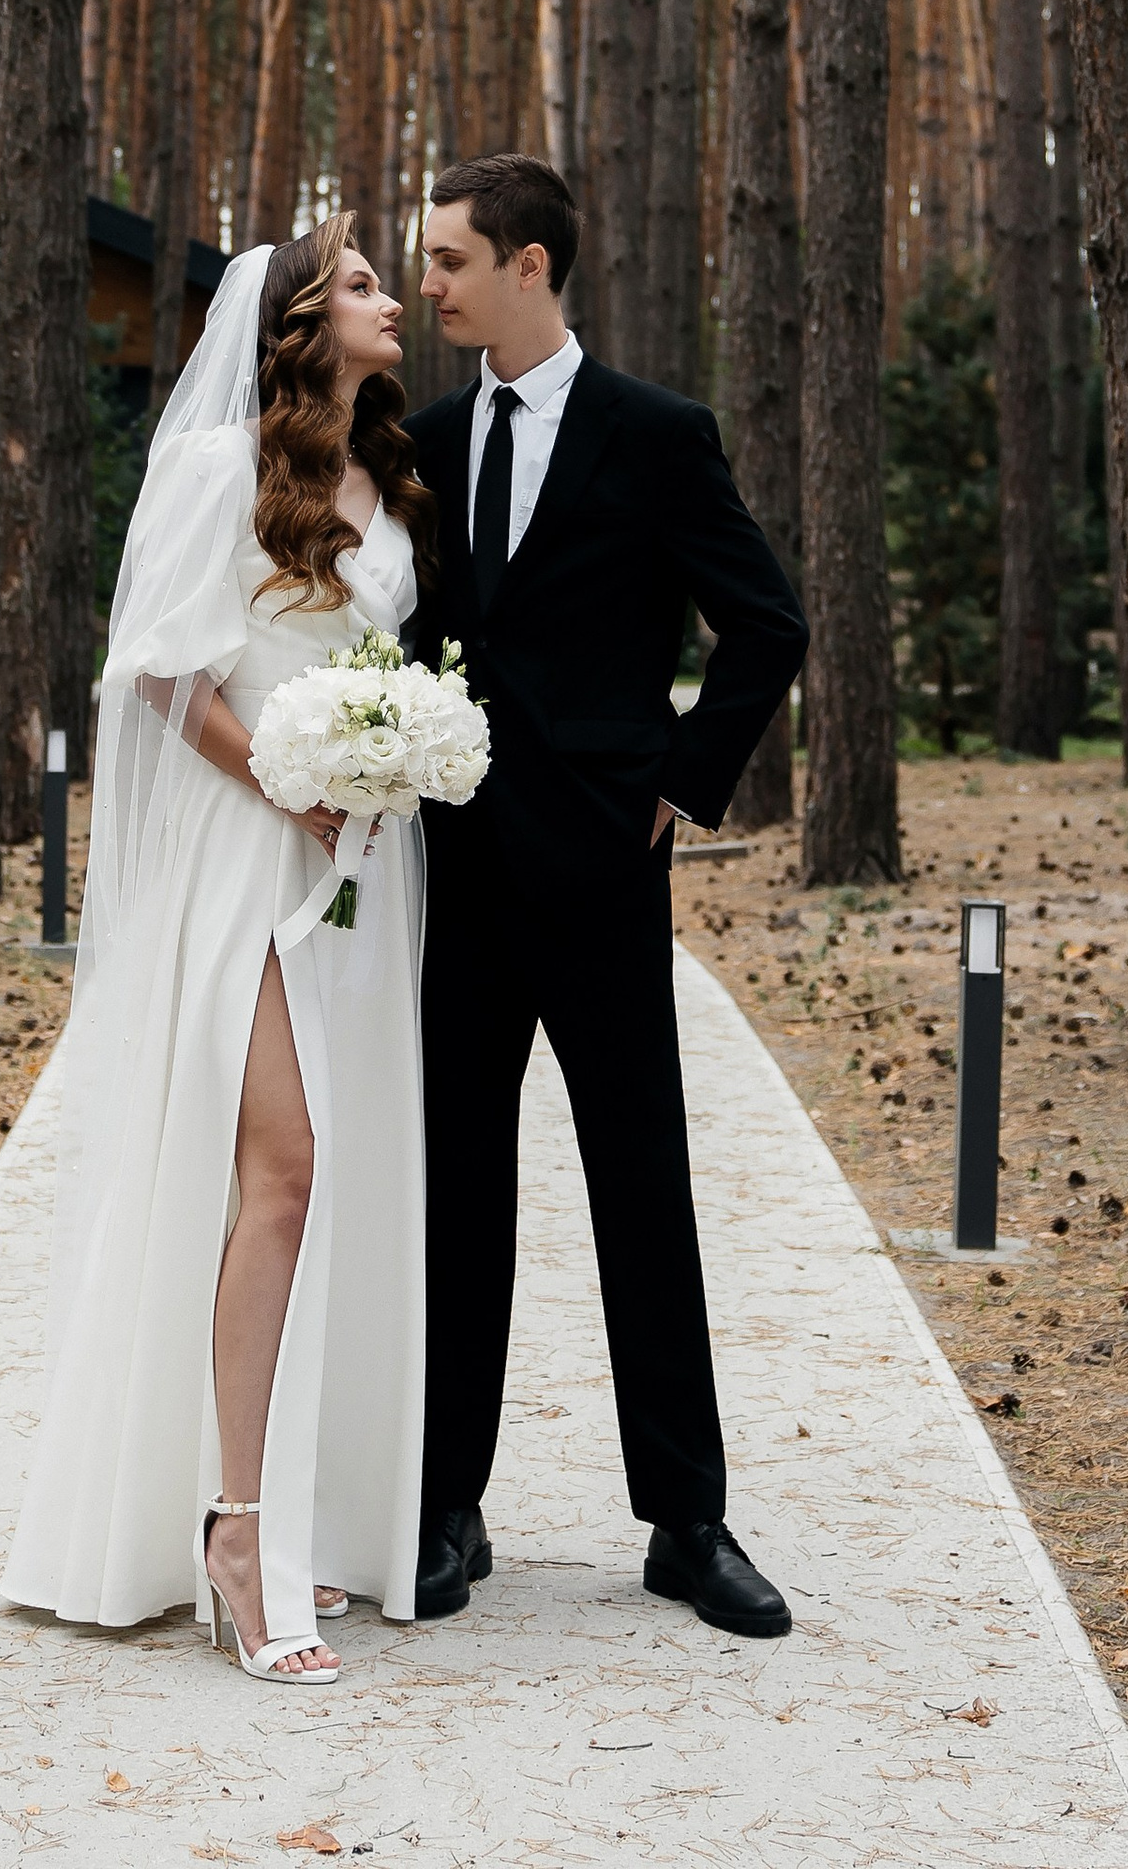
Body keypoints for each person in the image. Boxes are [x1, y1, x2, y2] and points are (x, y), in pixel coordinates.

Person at [2, 215, 432, 1681]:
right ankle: (235, 1530)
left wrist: (386, 769)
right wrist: (288, 783)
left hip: (367, 865)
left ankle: (324, 1501)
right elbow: (165, 678)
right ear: (302, 324)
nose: (395, 302)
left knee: (328, 1182)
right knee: (284, 1166)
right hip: (249, 853)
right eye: (367, 284)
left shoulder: (392, 484)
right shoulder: (213, 471)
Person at [404, 151, 807, 1642]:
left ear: (529, 266)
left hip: (607, 875)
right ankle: (450, 1506)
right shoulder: (424, 441)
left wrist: (683, 776)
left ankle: (687, 1524)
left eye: (450, 259)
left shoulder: (657, 433)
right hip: (454, 873)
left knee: (643, 1188)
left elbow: (765, 624)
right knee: (458, 1190)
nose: (431, 283)